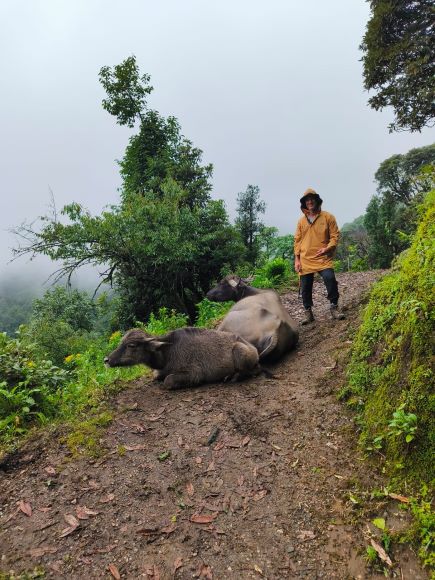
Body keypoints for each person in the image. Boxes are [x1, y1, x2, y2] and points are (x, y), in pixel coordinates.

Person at [294, 188, 345, 325]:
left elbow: (335, 236)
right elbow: (297, 241)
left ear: (317, 200)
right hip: (305, 259)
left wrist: (327, 248)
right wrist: (297, 259)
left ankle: (334, 306)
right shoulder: (301, 222)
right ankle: (308, 312)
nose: (310, 202)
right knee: (305, 286)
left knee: (330, 278)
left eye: (312, 199)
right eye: (307, 200)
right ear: (304, 203)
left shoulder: (328, 217)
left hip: (323, 257)